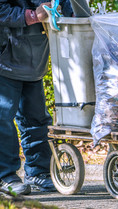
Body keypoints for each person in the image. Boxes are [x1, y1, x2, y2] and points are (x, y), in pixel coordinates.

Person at [0, 1, 73, 195]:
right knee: (2, 119)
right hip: (4, 57)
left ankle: (38, 172)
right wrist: (33, 15)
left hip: (34, 58)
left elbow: (71, 6)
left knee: (37, 119)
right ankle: (5, 175)